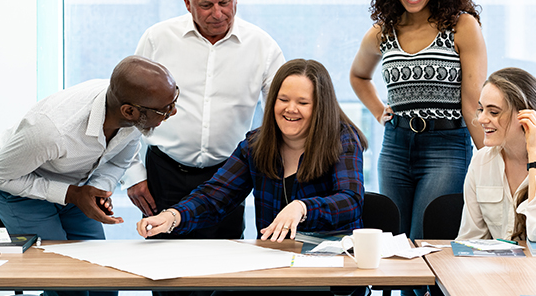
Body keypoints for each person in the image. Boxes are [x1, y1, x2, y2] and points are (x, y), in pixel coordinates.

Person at [122, 0, 284, 248]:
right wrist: (132, 174)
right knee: (166, 274)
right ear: (187, 3)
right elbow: (128, 110)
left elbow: (285, 113)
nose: (218, 13)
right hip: (166, 173)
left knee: (223, 275)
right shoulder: (158, 39)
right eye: (206, 5)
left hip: (228, 177)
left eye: (224, 2)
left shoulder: (262, 46)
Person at [136, 58, 366, 244]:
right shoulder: (256, 145)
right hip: (272, 264)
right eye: (283, 99)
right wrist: (172, 216)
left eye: (303, 103)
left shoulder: (343, 140)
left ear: (320, 107)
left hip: (331, 264)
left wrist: (302, 207)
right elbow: (215, 196)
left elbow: (351, 200)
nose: (291, 109)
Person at [350, 0, 487, 240]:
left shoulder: (462, 26)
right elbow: (359, 76)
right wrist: (378, 110)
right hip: (396, 146)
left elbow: (473, 103)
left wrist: (492, 161)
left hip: (446, 145)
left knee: (425, 239)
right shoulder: (383, 32)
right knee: (394, 241)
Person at [0, 55, 177, 240]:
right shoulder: (52, 130)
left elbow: (119, 162)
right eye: (165, 109)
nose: (173, 112)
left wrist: (97, 190)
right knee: (54, 264)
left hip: (76, 183)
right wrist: (72, 194)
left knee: (93, 256)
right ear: (129, 111)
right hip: (18, 178)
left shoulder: (135, 111)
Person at [457, 67, 536, 242]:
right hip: (500, 268)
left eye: (493, 112)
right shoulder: (481, 162)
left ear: (526, 117)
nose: (481, 119)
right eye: (481, 109)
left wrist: (535, 157)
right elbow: (470, 240)